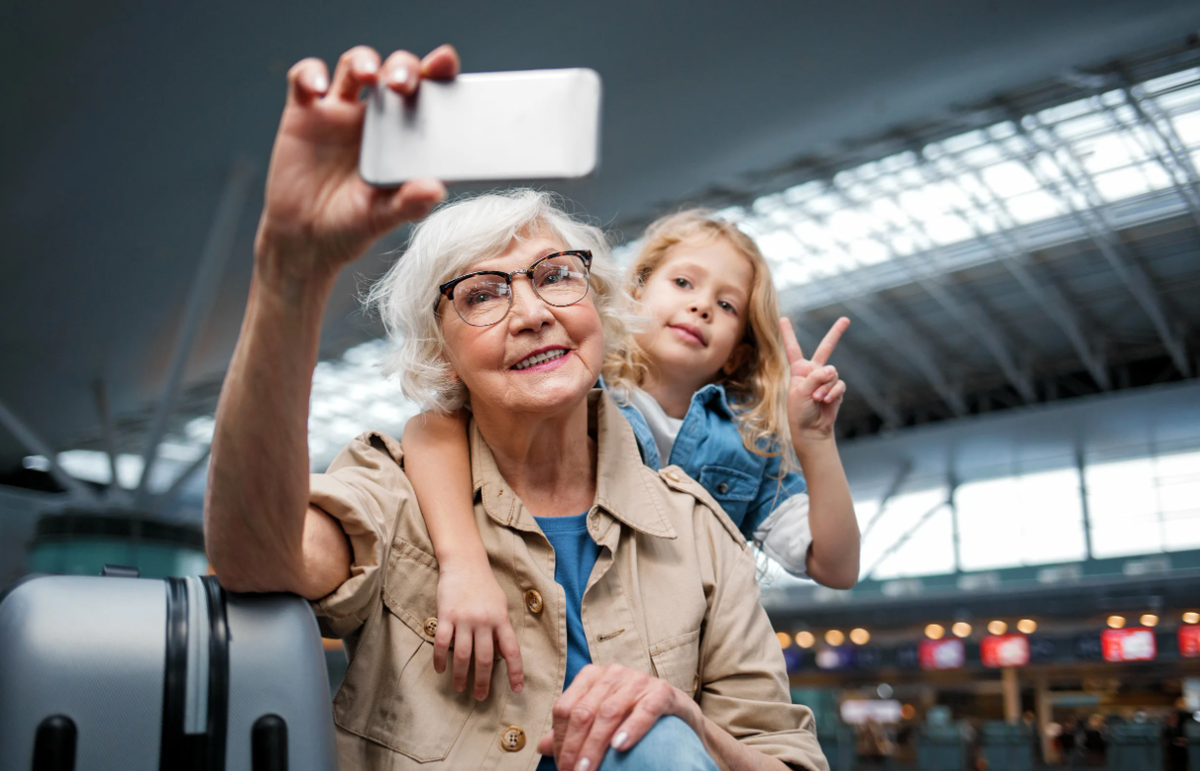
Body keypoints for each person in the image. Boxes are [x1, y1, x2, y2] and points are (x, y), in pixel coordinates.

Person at [203, 42, 829, 771]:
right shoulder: (395, 494)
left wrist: (685, 717)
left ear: (599, 312)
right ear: (442, 355)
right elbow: (256, 556)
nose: (531, 311)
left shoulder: (700, 532)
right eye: (483, 293)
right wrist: (289, 275)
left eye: (556, 276)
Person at [400, 210, 860, 699]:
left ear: (738, 354)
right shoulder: (574, 387)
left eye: (727, 305)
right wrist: (463, 561)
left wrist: (814, 440)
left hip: (679, 674)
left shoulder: (750, 445)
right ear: (633, 293)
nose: (701, 306)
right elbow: (433, 428)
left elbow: (836, 566)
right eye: (683, 282)